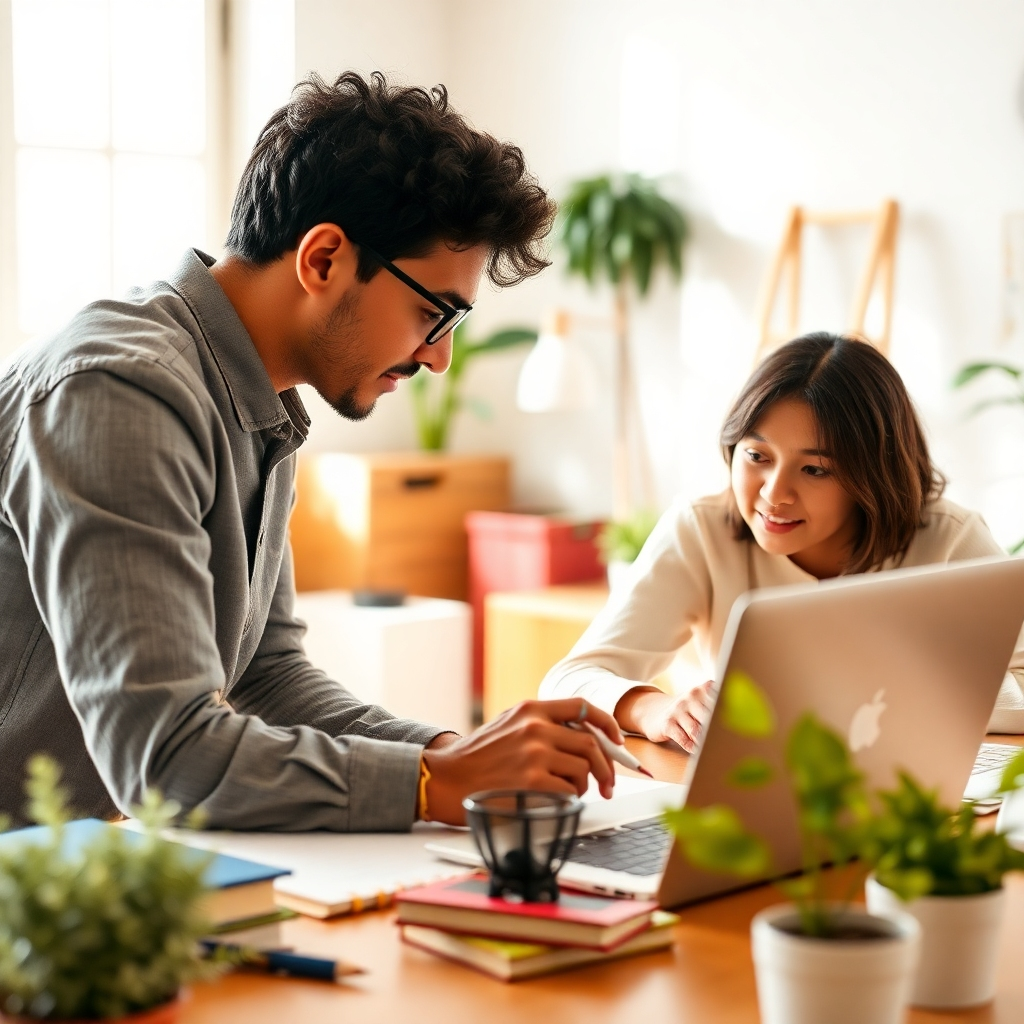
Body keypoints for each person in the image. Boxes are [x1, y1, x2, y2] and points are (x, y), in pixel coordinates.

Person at [0, 71, 623, 830]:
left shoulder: (260, 400)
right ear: (323, 259)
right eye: (434, 314)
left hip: (86, 868)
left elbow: (267, 675)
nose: (438, 360)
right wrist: (431, 781)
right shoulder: (121, 392)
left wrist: (461, 757)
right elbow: (163, 759)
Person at [540, 332, 1024, 751]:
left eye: (814, 469)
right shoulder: (702, 529)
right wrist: (653, 709)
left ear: (871, 475)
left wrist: (900, 684)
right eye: (756, 455)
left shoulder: (950, 541)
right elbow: (568, 681)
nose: (774, 494)